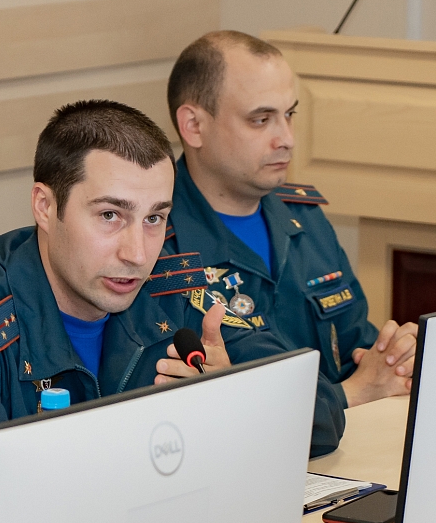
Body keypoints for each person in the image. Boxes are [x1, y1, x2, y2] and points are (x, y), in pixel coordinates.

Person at [0, 99, 346, 523]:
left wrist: (232, 399)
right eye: (109, 216)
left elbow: (322, 410)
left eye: (155, 218)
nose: (137, 253)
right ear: (45, 206)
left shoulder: (170, 286)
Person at [163, 31, 417, 407]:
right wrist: (354, 392)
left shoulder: (305, 218)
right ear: (194, 126)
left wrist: (394, 358)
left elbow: (356, 345)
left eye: (289, 115)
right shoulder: (158, 244)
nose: (287, 139)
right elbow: (241, 398)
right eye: (261, 119)